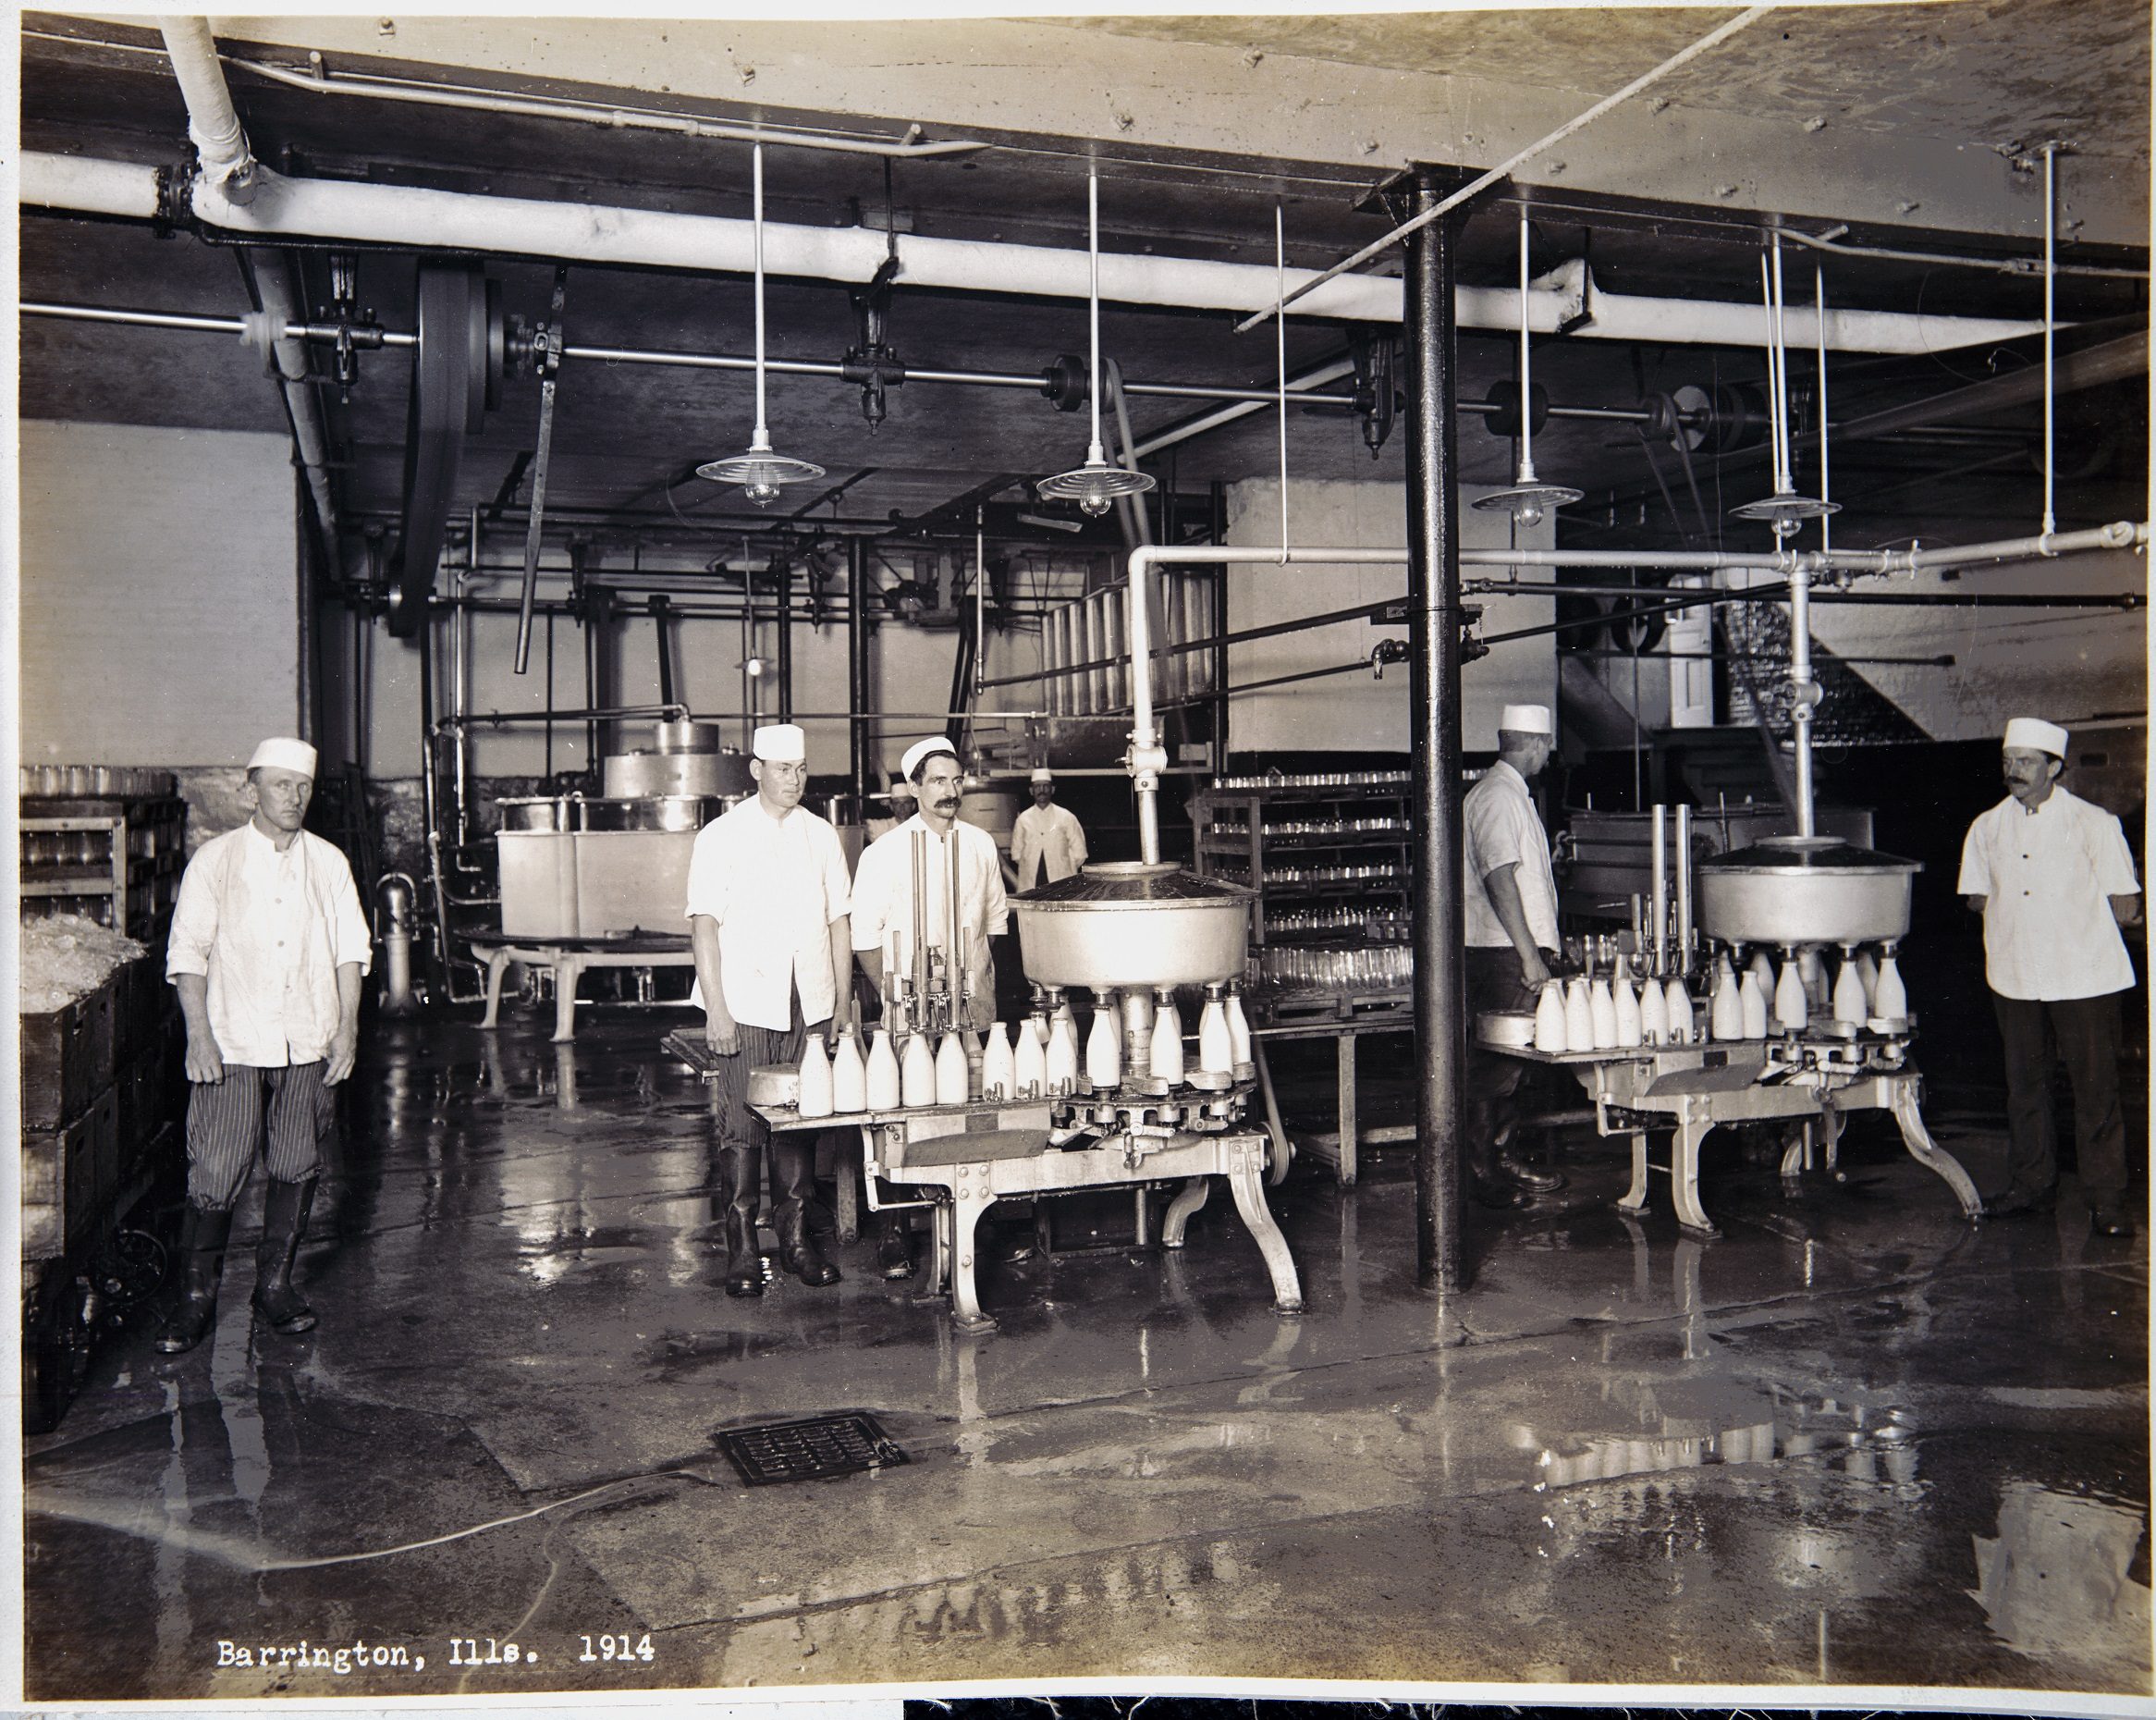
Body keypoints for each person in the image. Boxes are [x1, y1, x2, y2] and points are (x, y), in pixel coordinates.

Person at [157, 737, 372, 1353]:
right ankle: (195, 1300)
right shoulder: (215, 861)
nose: (294, 797)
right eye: (281, 785)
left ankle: (273, 1288)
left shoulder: (327, 862)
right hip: (232, 1037)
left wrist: (347, 1029)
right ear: (250, 790)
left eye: (302, 786)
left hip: (309, 1033)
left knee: (297, 1160)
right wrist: (198, 1034)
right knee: (218, 1169)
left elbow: (350, 952)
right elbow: (187, 953)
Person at [687, 722, 857, 1294]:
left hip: (807, 1002)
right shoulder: (722, 835)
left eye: (802, 768)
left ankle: (796, 1245)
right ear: (756, 770)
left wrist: (840, 1002)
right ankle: (742, 1252)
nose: (796, 779)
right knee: (741, 1125)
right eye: (784, 769)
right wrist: (717, 1009)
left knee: (798, 1124)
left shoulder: (821, 836)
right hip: (747, 1003)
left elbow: (840, 923)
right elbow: (705, 927)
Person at [1957, 716, 2142, 1235]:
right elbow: (1977, 898)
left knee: (2095, 1090)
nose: (2014, 772)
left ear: (2055, 768)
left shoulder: (2094, 823)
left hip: (2084, 977)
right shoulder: (1987, 827)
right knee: (2025, 1087)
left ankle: (2106, 1200)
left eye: (2027, 763)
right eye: (2008, 762)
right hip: (2015, 976)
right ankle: (2032, 1187)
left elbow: (2126, 907)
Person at [851, 736, 1010, 1276]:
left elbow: (994, 928)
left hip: (970, 998)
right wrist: (896, 997)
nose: (950, 791)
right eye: (937, 781)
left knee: (974, 1111)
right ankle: (895, 1232)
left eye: (956, 780)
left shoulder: (981, 844)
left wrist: (982, 998)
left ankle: (978, 1224)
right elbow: (864, 938)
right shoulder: (884, 853)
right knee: (900, 1114)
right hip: (907, 1000)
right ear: (914, 788)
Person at [1460, 703, 1570, 1209]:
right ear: (1534, 743)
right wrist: (1529, 956)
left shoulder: (1509, 796)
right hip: (1504, 952)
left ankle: (1493, 1159)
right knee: (1499, 1064)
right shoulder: (1498, 797)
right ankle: (1481, 1168)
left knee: (1509, 1063)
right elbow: (1498, 878)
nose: (1549, 754)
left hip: (1510, 948)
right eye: (1546, 745)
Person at [1010, 767, 1089, 891]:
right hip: (1031, 884)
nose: (1041, 790)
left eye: (1045, 786)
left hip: (1061, 883)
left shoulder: (1067, 817)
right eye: (1037, 787)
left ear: (1052, 789)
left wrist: (1064, 868)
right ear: (1031, 790)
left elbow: (1080, 854)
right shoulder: (1023, 819)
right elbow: (1016, 854)